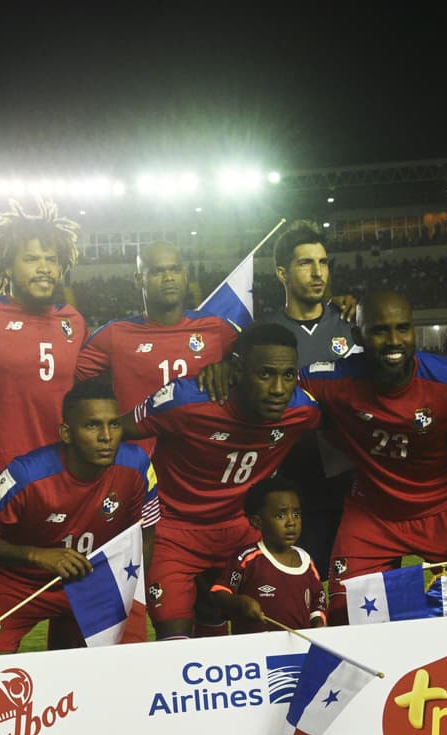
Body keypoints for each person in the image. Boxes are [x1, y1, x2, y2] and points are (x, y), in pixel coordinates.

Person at [299, 290, 447, 624]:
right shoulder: (332, 379)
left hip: (444, 508)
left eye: (403, 328)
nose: (394, 340)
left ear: (415, 330)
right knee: (344, 617)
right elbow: (273, 380)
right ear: (359, 336)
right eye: (380, 330)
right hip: (372, 513)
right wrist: (228, 371)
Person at [124, 322, 321, 640]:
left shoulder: (302, 410)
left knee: (256, 625)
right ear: (238, 370)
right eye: (265, 374)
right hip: (174, 531)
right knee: (174, 637)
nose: (278, 389)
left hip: (239, 529)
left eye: (288, 376)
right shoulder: (185, 400)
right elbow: (115, 432)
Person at [0, 380, 158, 655]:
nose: (106, 436)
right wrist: (38, 556)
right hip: (16, 584)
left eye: (114, 424)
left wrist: (130, 589)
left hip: (86, 581)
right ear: (66, 433)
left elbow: (146, 534)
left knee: (100, 669)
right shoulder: (25, 475)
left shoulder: (137, 465)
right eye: (92, 425)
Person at [0, 199, 87, 511]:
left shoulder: (74, 322)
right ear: (7, 265)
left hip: (59, 477)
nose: (44, 267)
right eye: (31, 258)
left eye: (51, 259)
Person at [258, 220, 360, 583]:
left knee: (360, 600)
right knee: (301, 596)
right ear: (282, 272)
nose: (318, 273)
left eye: (324, 262)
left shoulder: (352, 325)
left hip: (355, 490)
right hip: (293, 492)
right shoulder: (266, 334)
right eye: (306, 263)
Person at [75, 240, 238, 421]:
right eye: (157, 271)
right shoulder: (115, 334)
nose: (168, 277)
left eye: (175, 269)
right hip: (139, 447)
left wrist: (229, 366)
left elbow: (253, 369)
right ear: (139, 280)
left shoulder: (215, 328)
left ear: (185, 275)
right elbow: (63, 379)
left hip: (199, 446)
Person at [210, 476, 326, 633]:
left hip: (298, 649)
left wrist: (318, 620)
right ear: (257, 522)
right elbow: (219, 594)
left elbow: (317, 599)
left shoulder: (306, 561)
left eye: (296, 514)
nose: (291, 522)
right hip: (257, 650)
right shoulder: (247, 558)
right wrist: (240, 602)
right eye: (280, 515)